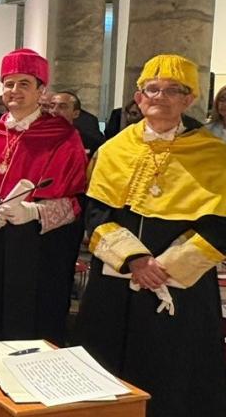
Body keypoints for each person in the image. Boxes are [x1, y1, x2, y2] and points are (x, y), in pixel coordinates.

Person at [75, 54, 226, 416]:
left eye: (173, 90)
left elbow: (220, 225)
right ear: (138, 97)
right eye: (151, 89)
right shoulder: (112, 150)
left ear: (189, 100)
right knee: (108, 369)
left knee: (173, 376)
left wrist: (166, 267)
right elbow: (97, 214)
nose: (160, 97)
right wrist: (136, 261)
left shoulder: (215, 155)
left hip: (180, 287)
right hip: (116, 281)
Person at [0, 48, 87, 343]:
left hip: (36, 247)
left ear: (41, 90)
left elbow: (76, 202)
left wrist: (35, 212)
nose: (14, 90)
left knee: (29, 324)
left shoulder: (62, 135)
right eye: (9, 83)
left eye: (24, 84)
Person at [49, 91, 104, 156]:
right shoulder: (39, 136)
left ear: (76, 114)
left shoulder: (88, 141)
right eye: (51, 106)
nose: (54, 111)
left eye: (62, 107)